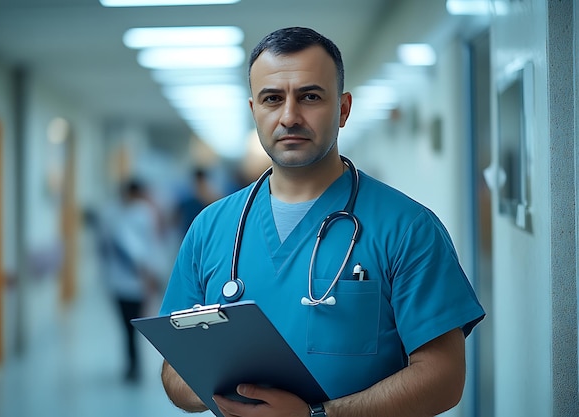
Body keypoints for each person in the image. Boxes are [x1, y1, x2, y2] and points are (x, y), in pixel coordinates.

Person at [159, 27, 485, 417]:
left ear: (344, 109)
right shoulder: (209, 228)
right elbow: (173, 372)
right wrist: (231, 390)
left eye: (310, 97)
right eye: (272, 99)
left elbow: (444, 378)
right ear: (254, 111)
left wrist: (317, 415)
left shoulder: (408, 227)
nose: (289, 116)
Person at [99, 178, 160, 382]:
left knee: (130, 327)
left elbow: (148, 246)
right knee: (129, 327)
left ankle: (134, 365)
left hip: (132, 280)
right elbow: (113, 248)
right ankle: (133, 365)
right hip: (127, 279)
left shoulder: (137, 213)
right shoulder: (123, 214)